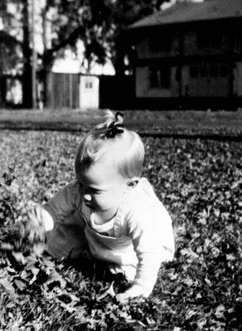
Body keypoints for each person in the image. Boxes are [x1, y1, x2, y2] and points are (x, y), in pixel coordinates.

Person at [27, 111, 174, 302]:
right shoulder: (80, 191)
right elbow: (53, 210)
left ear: (128, 186)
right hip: (94, 234)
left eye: (95, 190)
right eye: (81, 183)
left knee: (122, 272)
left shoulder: (137, 210)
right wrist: (40, 221)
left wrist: (140, 286)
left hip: (128, 250)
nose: (84, 194)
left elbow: (149, 252)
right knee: (57, 238)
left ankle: (105, 260)